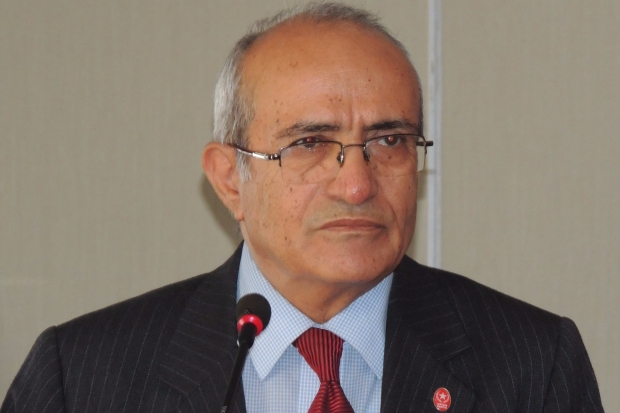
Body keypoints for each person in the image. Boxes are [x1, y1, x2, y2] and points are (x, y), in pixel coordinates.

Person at [1, 3, 604, 413]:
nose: (357, 186)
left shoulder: (533, 366)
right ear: (229, 180)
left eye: (389, 141)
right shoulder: (82, 378)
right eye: (310, 143)